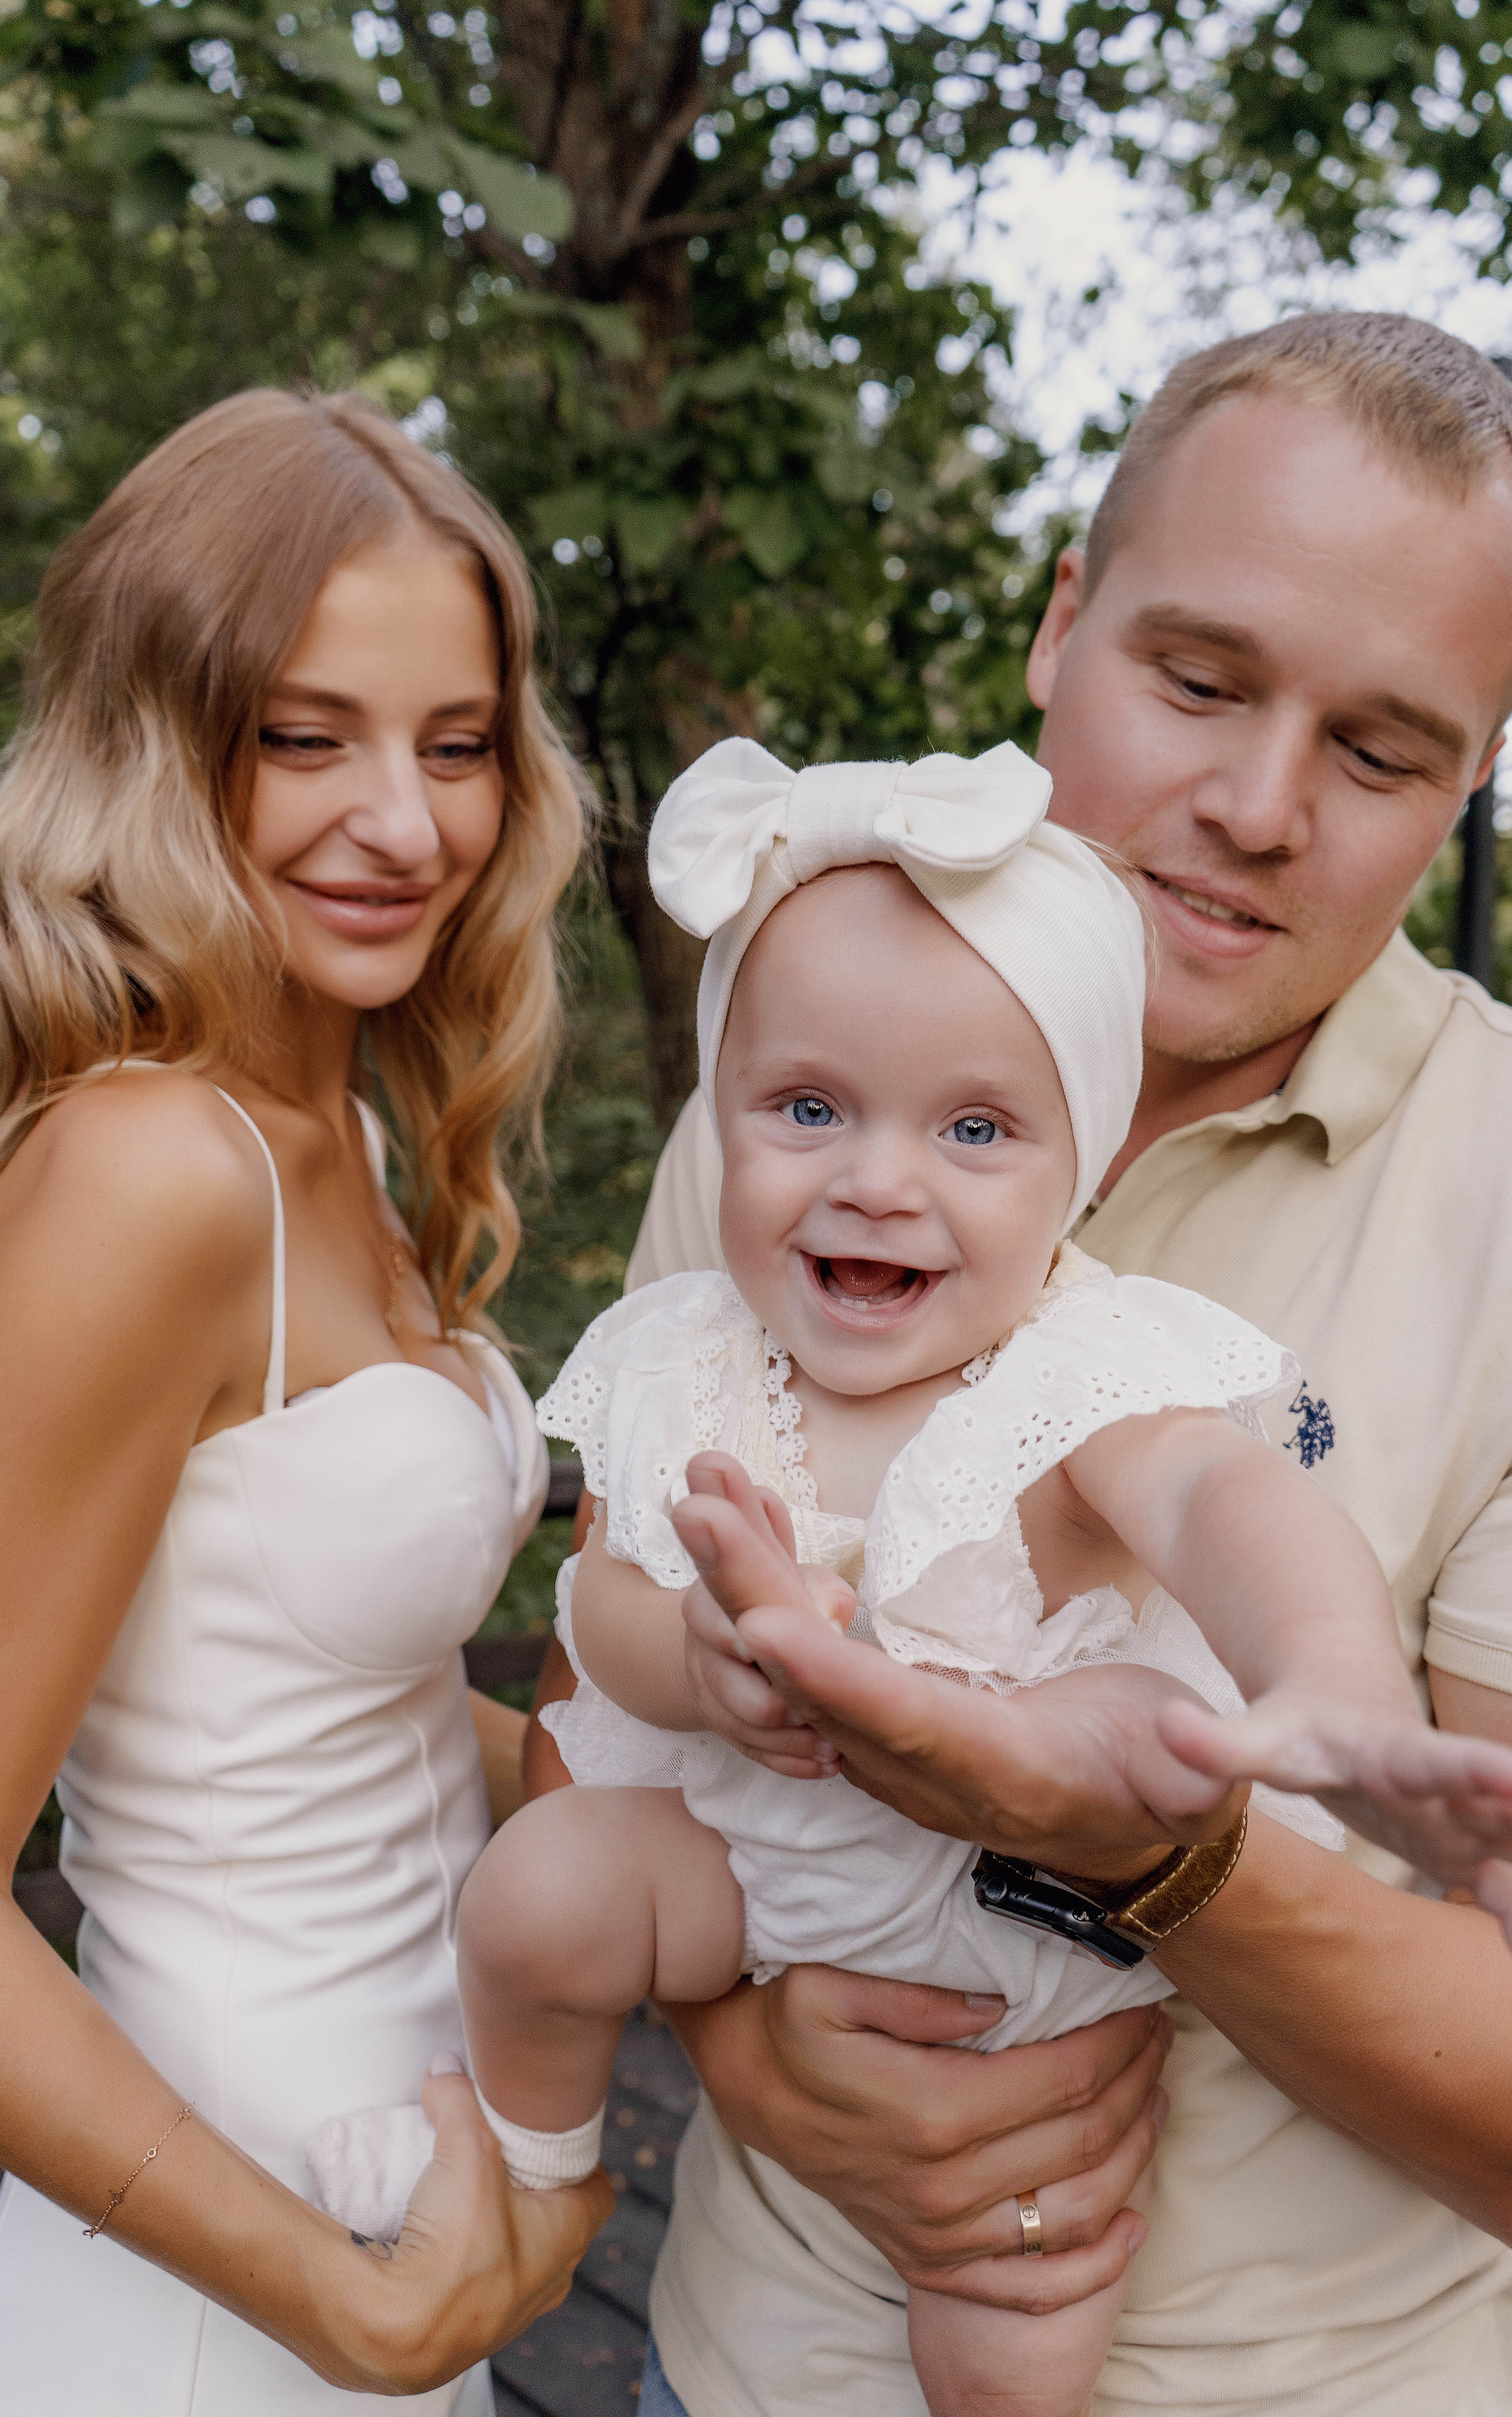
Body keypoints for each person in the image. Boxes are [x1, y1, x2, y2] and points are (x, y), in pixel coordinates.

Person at [545, 312, 1512, 2416]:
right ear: (1061, 623)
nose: (1255, 807)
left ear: (1480, 770)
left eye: (1383, 751)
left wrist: (1156, 1845)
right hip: (738, 2369)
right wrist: (766, 2063)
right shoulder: (796, 1088)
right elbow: (595, 1695)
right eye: (1198, 681)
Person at [0, 388, 611, 2413]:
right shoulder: (159, 1169)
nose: (410, 824)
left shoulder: (340, 1114)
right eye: (302, 734)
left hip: (407, 2190)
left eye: (456, 746)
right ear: (158, 743)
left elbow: (315, 1695)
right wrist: (331, 2305)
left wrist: (743, 1794)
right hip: (221, 2263)